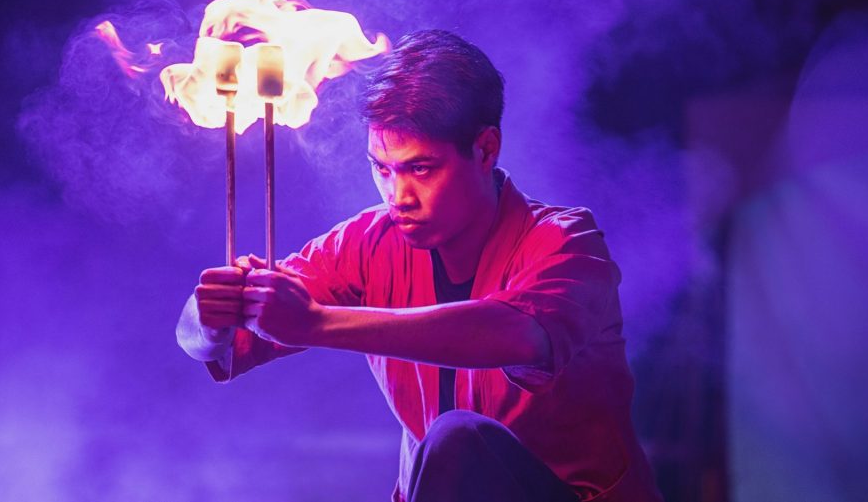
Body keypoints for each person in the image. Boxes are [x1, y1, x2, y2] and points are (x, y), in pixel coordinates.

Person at [177, 29, 662, 502]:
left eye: (421, 169)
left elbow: (519, 335)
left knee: (457, 439)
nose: (398, 197)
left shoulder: (566, 240)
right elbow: (207, 341)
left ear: (486, 149)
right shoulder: (365, 243)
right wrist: (212, 316)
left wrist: (317, 323)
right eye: (381, 169)